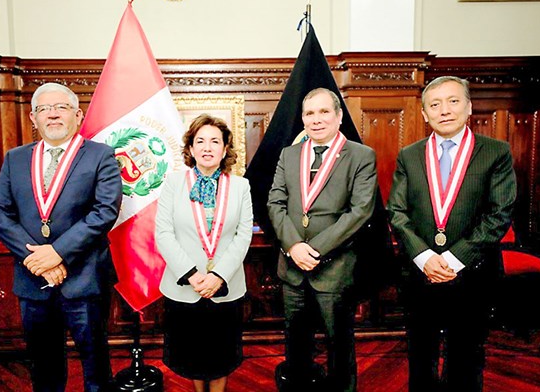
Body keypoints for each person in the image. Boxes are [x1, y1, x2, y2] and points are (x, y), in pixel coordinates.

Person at [0, 82, 123, 392]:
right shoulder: (16, 158)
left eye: (60, 107)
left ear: (77, 115)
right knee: (44, 371)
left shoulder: (101, 155)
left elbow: (104, 212)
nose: (52, 114)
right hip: (33, 279)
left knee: (95, 371)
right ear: (33, 118)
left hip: (85, 279)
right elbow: (0, 213)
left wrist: (58, 253)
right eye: (44, 109)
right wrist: (38, 259)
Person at [387, 76, 516, 392]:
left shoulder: (496, 152)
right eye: (435, 104)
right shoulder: (410, 155)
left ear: (469, 107)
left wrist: (455, 259)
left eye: (453, 101)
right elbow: (397, 212)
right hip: (420, 274)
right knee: (421, 358)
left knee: (466, 359)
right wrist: (425, 256)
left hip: (473, 275)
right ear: (424, 114)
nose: (444, 110)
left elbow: (499, 214)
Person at [267, 87, 378, 391]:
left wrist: (312, 250)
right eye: (309, 113)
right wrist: (293, 246)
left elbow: (360, 212)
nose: (316, 120)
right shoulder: (289, 154)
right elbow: (274, 203)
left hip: (334, 270)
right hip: (292, 271)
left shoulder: (360, 155)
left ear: (339, 116)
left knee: (339, 348)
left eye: (324, 111)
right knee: (296, 349)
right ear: (302, 118)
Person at [155, 114, 253, 392]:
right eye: (200, 141)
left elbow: (243, 235)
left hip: (226, 286)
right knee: (192, 354)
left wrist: (218, 275)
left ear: (225, 149)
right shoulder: (173, 183)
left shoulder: (240, 186)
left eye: (215, 141)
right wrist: (193, 275)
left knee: (222, 354)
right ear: (190, 148)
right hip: (185, 286)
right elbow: (164, 233)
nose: (207, 147)